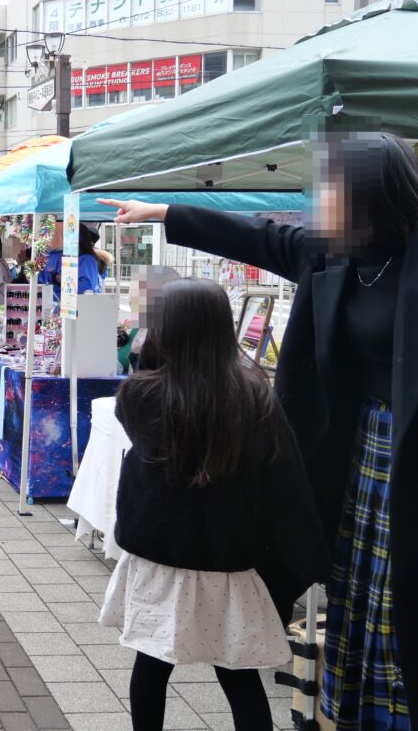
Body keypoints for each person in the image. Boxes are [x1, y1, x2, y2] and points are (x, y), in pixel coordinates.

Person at [99, 132, 418, 730]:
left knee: (399, 589)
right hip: (347, 441)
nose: (320, 204)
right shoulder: (329, 252)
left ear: (372, 195)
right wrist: (165, 212)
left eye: (333, 193)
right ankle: (361, 709)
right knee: (357, 585)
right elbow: (258, 236)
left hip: (402, 445)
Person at [101, 277, 329, 731]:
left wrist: (148, 353)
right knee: (239, 676)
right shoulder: (253, 398)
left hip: (161, 563)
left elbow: (143, 382)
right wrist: (303, 563)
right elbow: (286, 489)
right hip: (230, 565)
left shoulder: (141, 397)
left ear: (165, 329)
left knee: (151, 666)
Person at [38, 223, 111, 303]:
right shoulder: (55, 255)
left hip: (75, 305)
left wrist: (60, 279)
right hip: (52, 303)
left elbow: (86, 289)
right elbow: (40, 278)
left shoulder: (87, 259)